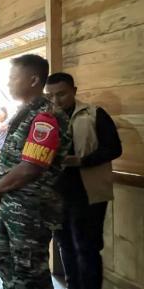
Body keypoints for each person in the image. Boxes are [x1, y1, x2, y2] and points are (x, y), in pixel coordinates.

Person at [0, 54, 71, 289]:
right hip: (13, 204)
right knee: (3, 255)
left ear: (33, 80)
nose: (8, 83)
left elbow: (31, 167)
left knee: (29, 270)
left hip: (31, 209)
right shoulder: (23, 113)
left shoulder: (46, 117)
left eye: (12, 78)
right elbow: (10, 158)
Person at [46, 73, 122, 289]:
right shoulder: (45, 119)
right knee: (65, 245)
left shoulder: (95, 114)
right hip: (56, 194)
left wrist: (81, 161)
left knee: (87, 247)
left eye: (61, 94)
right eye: (50, 96)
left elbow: (114, 149)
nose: (55, 101)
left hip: (89, 193)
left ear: (74, 91)